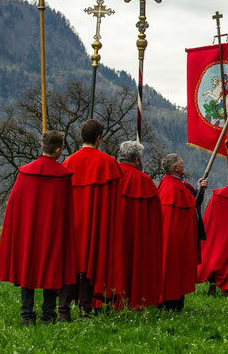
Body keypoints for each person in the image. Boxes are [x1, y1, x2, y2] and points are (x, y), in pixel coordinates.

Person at [0, 130, 76, 325]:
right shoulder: (63, 176)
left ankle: (26, 316)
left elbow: (14, 204)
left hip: (29, 231)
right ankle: (48, 315)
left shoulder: (25, 172)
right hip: (53, 232)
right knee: (52, 270)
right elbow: (67, 210)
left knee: (28, 268)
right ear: (58, 150)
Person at [60, 119, 122, 318]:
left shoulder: (68, 162)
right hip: (97, 223)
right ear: (99, 138)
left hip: (72, 224)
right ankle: (86, 309)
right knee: (91, 262)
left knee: (72, 262)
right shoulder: (108, 163)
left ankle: (63, 310)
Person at [112, 141, 163, 310]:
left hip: (111, 235)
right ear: (137, 160)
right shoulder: (145, 181)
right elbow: (155, 218)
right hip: (137, 238)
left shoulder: (109, 175)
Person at [158, 154, 206, 311]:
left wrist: (200, 190)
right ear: (175, 168)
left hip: (180, 240)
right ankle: (170, 303)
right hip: (174, 240)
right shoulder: (171, 187)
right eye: (181, 162)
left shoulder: (179, 185)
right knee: (172, 269)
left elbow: (192, 202)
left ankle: (176, 301)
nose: (184, 164)